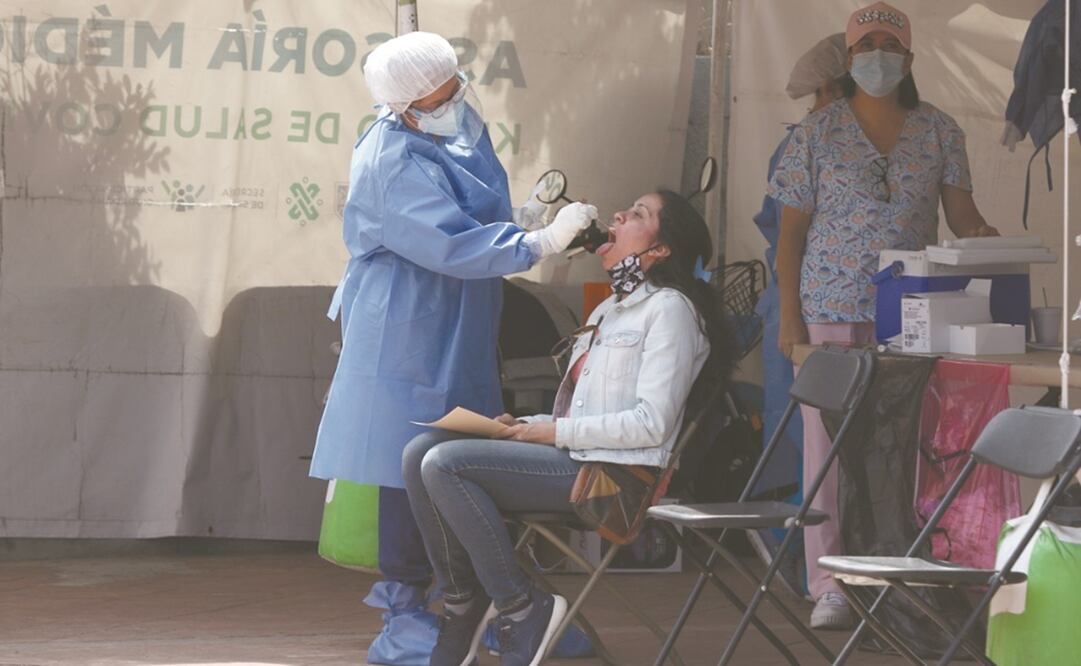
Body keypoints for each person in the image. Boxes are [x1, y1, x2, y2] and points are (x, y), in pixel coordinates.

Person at [309, 31, 596, 664]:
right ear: (407, 105)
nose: (455, 98)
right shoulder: (390, 155)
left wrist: (523, 220)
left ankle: (480, 604)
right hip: (406, 322)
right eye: (441, 94)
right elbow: (446, 242)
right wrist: (538, 245)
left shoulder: (458, 121)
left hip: (464, 314)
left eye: (455, 84)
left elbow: (474, 212)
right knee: (404, 461)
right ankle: (408, 615)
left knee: (460, 454)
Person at [401, 190, 734, 666]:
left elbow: (651, 424)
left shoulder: (672, 310)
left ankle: (519, 606)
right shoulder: (609, 310)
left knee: (445, 463)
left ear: (660, 250)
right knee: (420, 452)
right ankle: (463, 599)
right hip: (575, 459)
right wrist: (526, 424)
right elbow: (578, 417)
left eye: (638, 214)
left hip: (614, 480)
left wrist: (552, 435)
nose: (617, 214)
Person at [769, 2, 1000, 630]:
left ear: (909, 58)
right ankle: (832, 584)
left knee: (911, 443)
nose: (877, 55)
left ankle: (903, 568)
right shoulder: (816, 133)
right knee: (830, 451)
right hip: (831, 307)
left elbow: (962, 215)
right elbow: (790, 237)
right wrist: (790, 321)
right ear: (848, 60)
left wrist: (988, 238)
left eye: (888, 44)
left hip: (916, 312)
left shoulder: (939, 129)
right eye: (865, 44)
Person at [748, 32, 848, 601]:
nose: (816, 108)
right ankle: (785, 541)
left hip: (836, 306)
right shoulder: (803, 143)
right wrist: (792, 311)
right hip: (797, 303)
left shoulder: (910, 136)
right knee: (796, 432)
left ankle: (818, 555)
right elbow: (784, 234)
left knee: (829, 437)